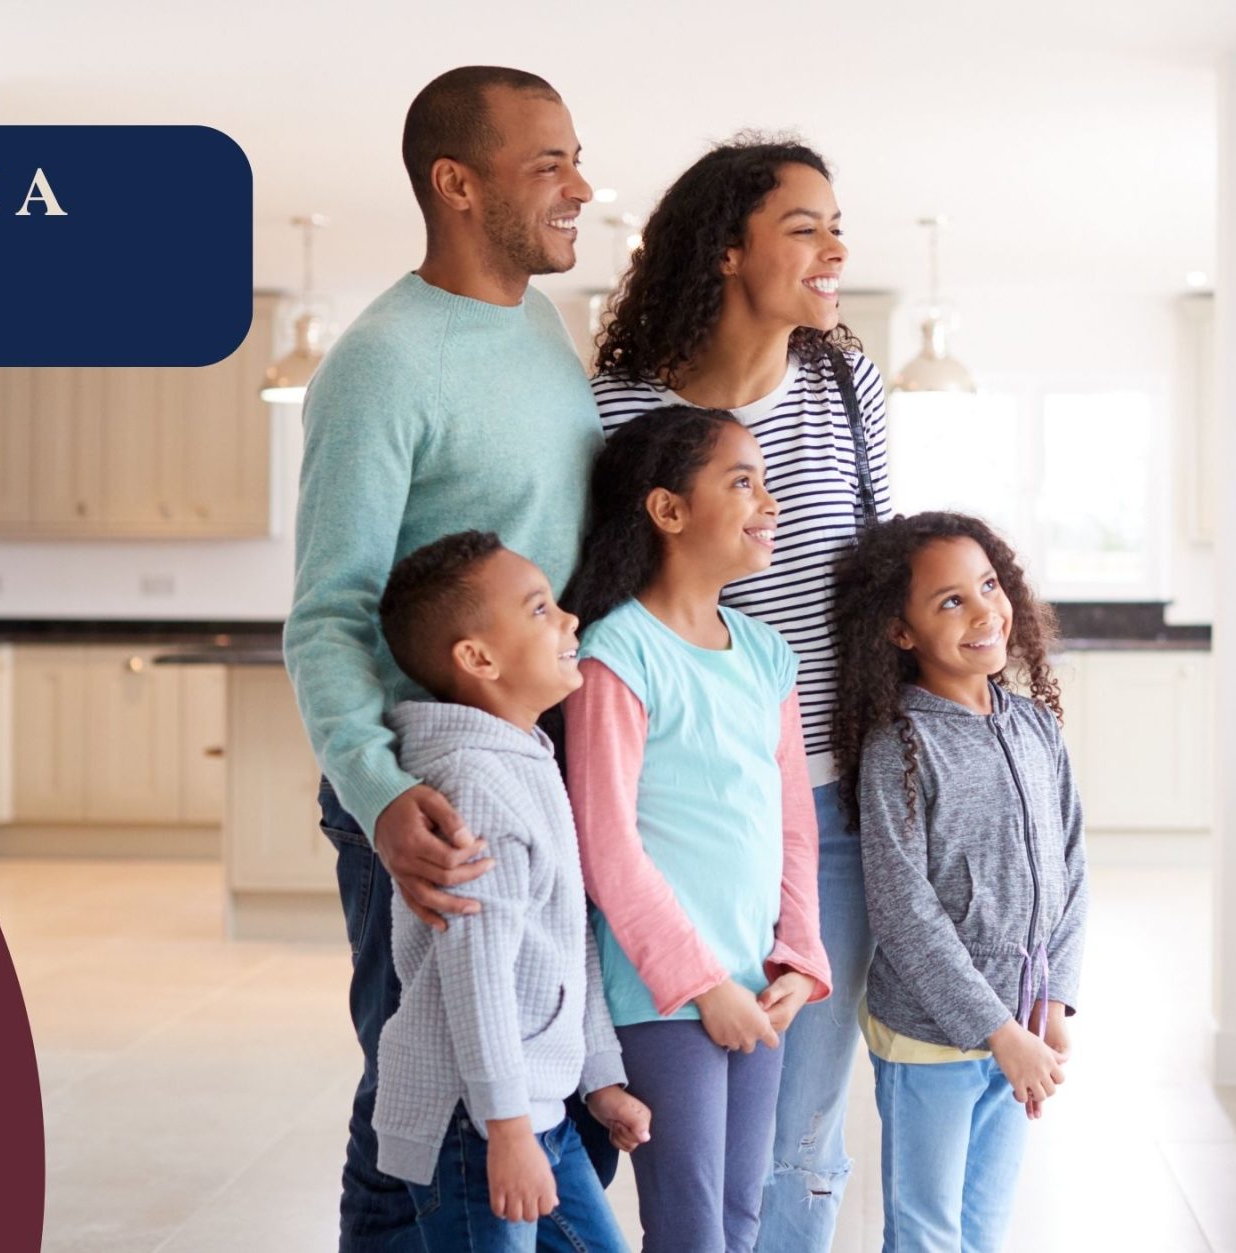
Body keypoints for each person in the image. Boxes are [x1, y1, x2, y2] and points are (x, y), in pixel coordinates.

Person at [282, 65, 607, 1250]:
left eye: (577, 155)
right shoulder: (379, 364)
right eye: (548, 164)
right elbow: (327, 612)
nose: (579, 185)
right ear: (456, 183)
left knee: (502, 1081)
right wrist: (380, 798)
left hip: (526, 760)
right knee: (415, 1099)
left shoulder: (533, 320)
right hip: (432, 798)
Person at [589, 135, 892, 1250]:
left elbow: (873, 579)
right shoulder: (617, 407)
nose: (834, 248)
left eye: (835, 224)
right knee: (687, 1152)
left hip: (826, 810)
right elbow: (606, 595)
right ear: (725, 250)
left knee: (798, 1137)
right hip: (676, 827)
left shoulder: (846, 383)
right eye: (803, 226)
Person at [561, 405, 833, 1253]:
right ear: (668, 510)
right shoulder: (618, 652)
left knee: (739, 1217)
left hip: (760, 987)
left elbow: (795, 827)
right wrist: (700, 983)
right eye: (742, 480)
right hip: (664, 995)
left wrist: (801, 959)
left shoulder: (767, 653)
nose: (770, 501)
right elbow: (606, 848)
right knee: (688, 1226)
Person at [368, 530, 652, 1252]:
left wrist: (600, 1078)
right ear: (478, 658)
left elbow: (565, 937)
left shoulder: (526, 758)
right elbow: (476, 977)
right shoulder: (475, 782)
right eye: (539, 609)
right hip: (475, 1122)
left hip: (533, 1112)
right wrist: (506, 1129)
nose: (568, 621)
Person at [826, 512, 1086, 1253]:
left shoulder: (1035, 725)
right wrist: (998, 1031)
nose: (983, 612)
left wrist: (1052, 998)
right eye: (950, 601)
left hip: (1022, 1031)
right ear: (900, 631)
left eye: (989, 586)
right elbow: (905, 913)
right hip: (932, 1041)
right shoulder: (900, 745)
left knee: (982, 1230)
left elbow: (1072, 864)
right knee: (927, 1233)